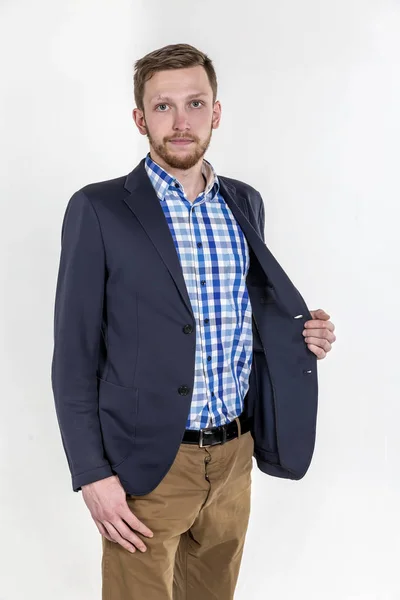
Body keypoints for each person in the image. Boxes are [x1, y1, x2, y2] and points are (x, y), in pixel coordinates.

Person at [51, 43, 336, 600]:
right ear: (140, 118)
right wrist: (92, 475)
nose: (181, 122)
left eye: (196, 103)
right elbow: (73, 356)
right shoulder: (100, 209)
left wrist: (302, 336)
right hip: (146, 467)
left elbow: (242, 316)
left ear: (217, 112)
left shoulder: (244, 203)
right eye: (163, 107)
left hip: (234, 461)